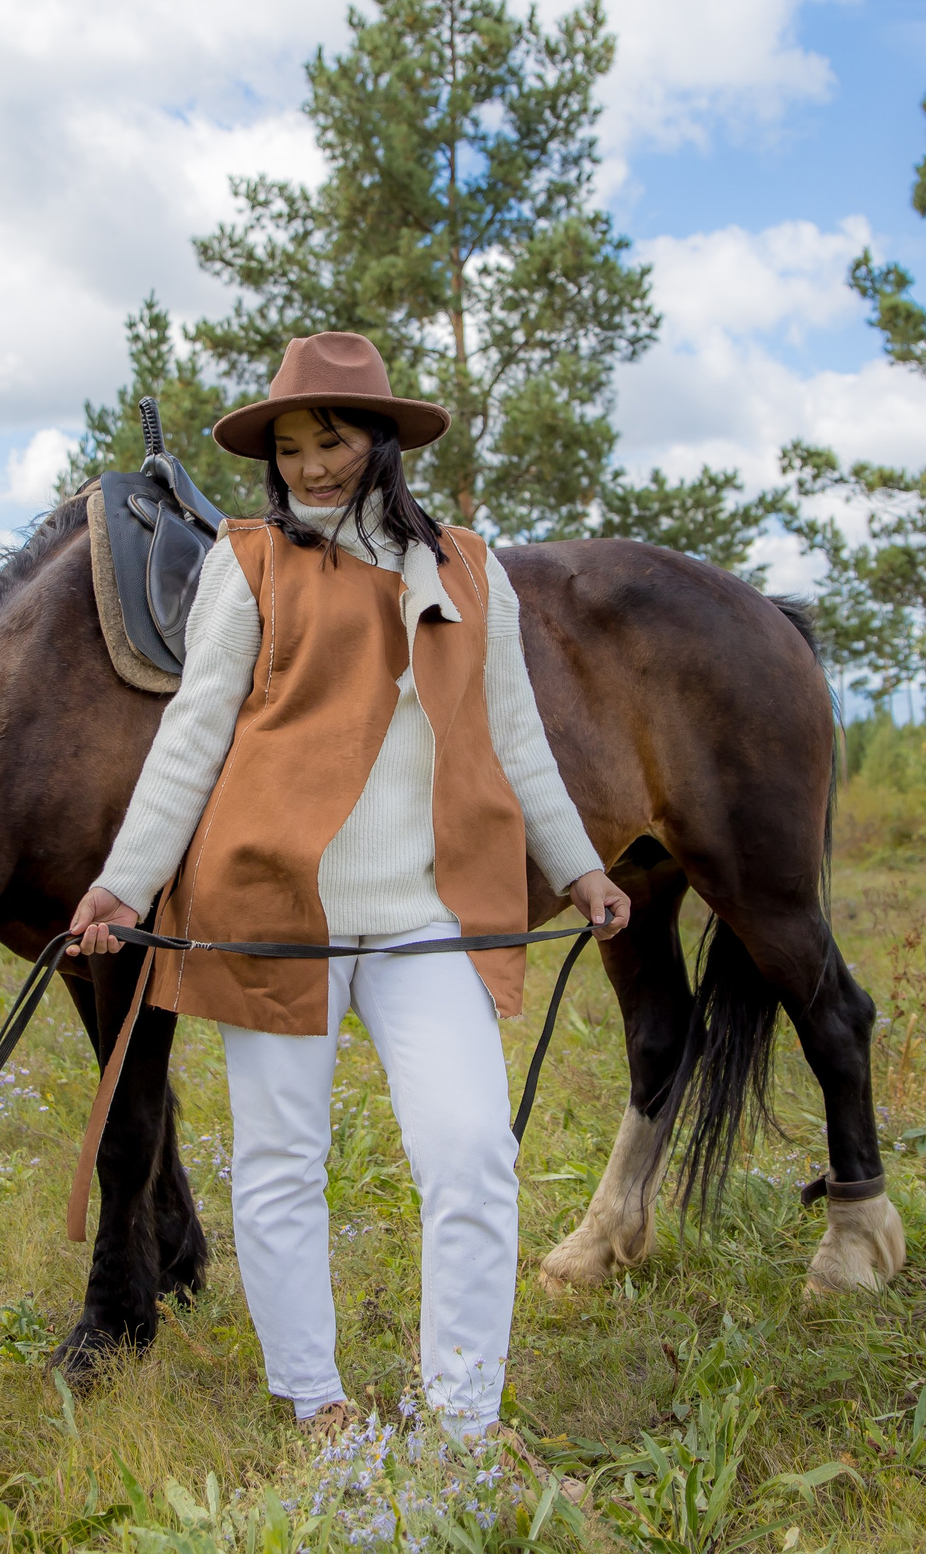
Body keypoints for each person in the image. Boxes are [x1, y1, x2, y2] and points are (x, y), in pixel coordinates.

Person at [68, 330, 631, 1444]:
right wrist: (122, 887)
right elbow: (193, 736)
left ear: (380, 439)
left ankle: (464, 1421)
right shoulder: (250, 560)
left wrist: (579, 867)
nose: (310, 466)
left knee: (471, 1153)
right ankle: (312, 1399)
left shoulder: (470, 565)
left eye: (330, 439)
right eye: (288, 446)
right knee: (282, 1160)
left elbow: (513, 732)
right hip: (273, 906)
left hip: (427, 913)